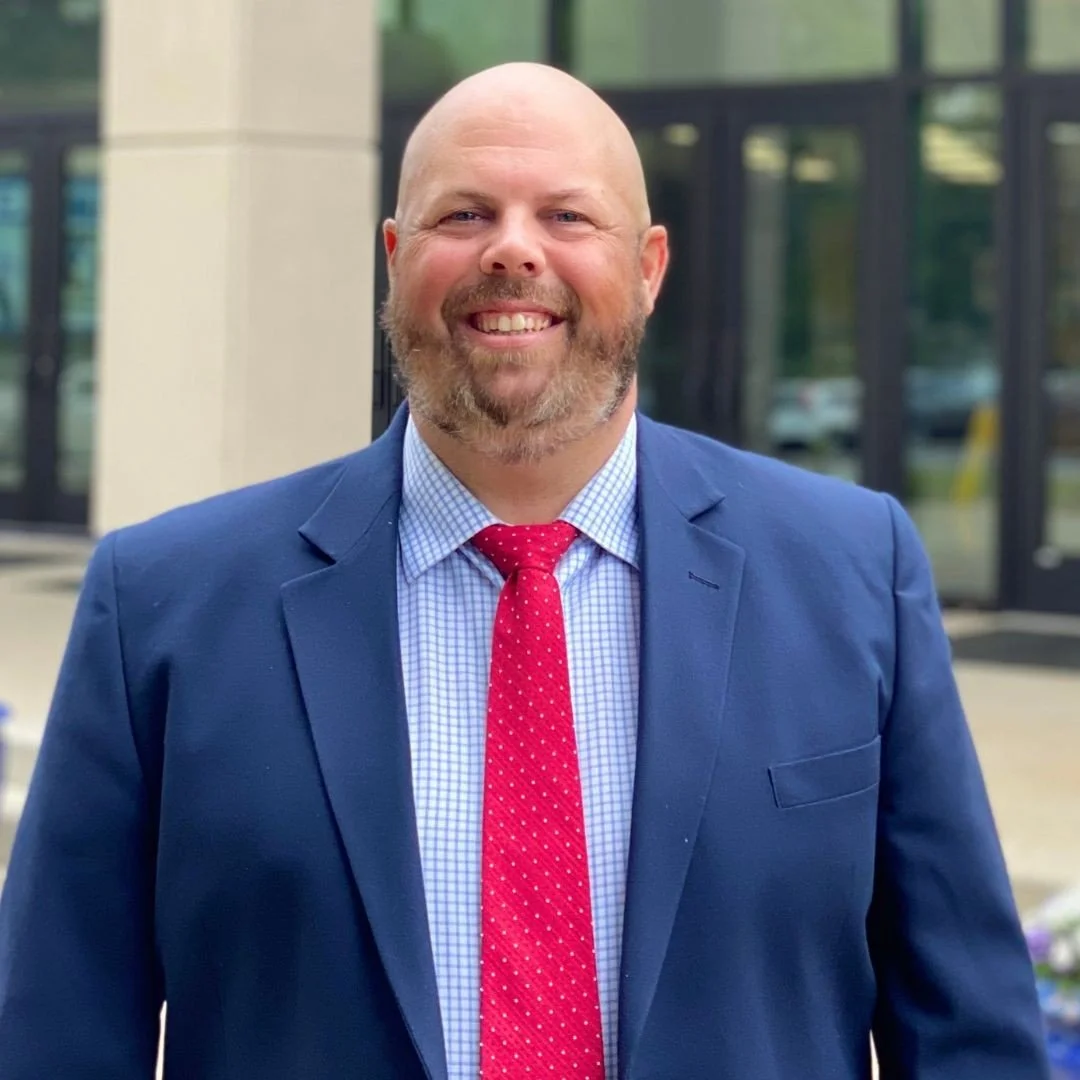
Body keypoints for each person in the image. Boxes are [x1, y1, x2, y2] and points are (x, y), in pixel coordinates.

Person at [0, 62, 1049, 1080]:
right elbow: (55, 1035)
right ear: (395, 257)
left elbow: (969, 1035)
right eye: (464, 215)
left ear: (649, 268)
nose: (512, 250)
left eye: (567, 216)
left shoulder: (851, 572)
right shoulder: (163, 606)